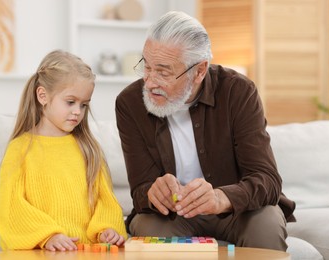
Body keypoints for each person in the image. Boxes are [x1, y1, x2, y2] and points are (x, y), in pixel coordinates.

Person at [115, 11, 296, 251]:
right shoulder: (130, 103)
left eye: (163, 71)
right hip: (174, 216)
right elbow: (139, 191)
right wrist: (152, 192)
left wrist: (221, 198)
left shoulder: (238, 92)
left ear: (199, 71)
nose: (149, 82)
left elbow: (267, 180)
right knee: (149, 227)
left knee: (266, 222)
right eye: (146, 67)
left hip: (235, 212)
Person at [0, 50, 127, 251]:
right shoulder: (20, 149)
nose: (78, 111)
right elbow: (12, 207)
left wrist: (106, 229)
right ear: (43, 96)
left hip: (86, 252)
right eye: (70, 102)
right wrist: (48, 236)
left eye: (84, 105)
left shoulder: (89, 149)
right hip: (42, 252)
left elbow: (105, 200)